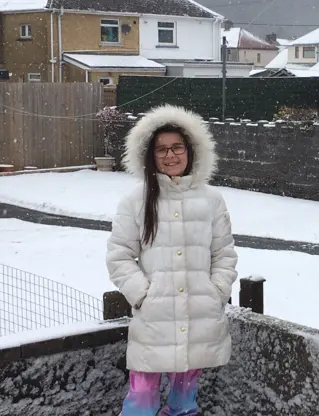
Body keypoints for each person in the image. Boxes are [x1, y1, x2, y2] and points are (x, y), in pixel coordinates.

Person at [106, 104, 238, 416]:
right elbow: (119, 256)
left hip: (198, 317)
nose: (170, 155)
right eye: (161, 149)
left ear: (191, 150)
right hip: (154, 319)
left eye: (177, 147)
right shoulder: (135, 201)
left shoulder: (211, 200)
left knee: (185, 397)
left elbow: (224, 254)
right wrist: (143, 295)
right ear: (150, 155)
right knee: (141, 397)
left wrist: (215, 291)